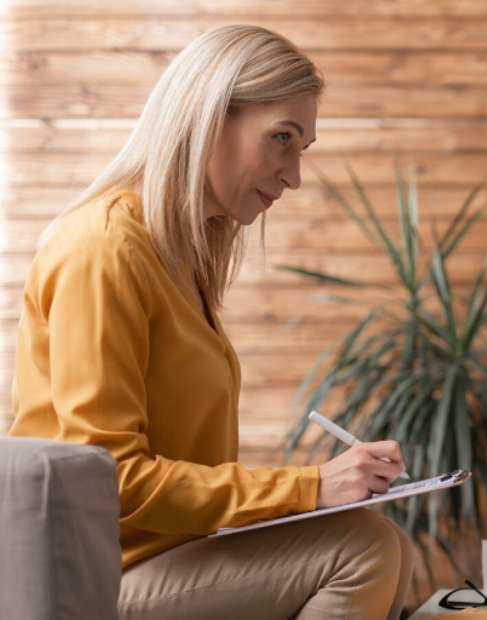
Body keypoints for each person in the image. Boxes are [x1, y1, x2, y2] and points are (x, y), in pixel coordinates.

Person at [7, 25, 415, 620]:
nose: (293, 176)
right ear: (209, 117)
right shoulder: (103, 251)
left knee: (390, 548)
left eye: (301, 149)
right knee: (365, 549)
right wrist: (308, 489)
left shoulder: (173, 258)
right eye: (281, 139)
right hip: (98, 575)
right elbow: (110, 480)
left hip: (166, 557)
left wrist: (313, 495)